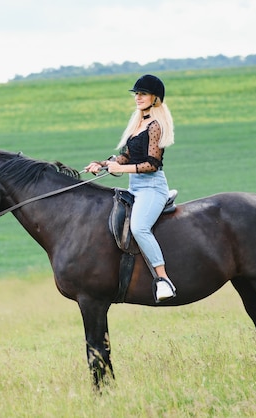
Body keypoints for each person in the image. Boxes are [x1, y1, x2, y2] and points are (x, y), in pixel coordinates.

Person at [85, 74, 176, 302]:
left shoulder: (156, 126)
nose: (138, 97)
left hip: (152, 188)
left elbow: (151, 164)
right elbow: (127, 157)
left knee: (139, 227)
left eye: (142, 94)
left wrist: (120, 169)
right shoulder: (138, 124)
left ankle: (163, 280)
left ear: (155, 98)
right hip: (135, 187)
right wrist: (103, 164)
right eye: (136, 94)